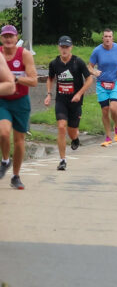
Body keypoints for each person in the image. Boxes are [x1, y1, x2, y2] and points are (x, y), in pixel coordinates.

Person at [44, 36, 93, 170]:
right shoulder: (54, 63)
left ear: (71, 47)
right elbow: (50, 78)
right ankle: (62, 160)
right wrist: (49, 94)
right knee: (61, 127)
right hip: (61, 100)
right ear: (58, 47)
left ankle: (75, 139)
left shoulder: (78, 62)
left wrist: (79, 94)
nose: (64, 50)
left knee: (72, 132)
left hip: (75, 102)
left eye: (67, 47)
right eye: (62, 47)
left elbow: (89, 80)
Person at [0, 25, 37, 189]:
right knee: (3, 132)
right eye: (5, 36)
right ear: (1, 38)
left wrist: (15, 80)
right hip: (3, 100)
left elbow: (34, 80)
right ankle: (5, 160)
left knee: (19, 141)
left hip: (21, 101)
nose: (8, 39)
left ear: (16, 38)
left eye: (11, 36)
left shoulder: (25, 55)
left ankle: (15, 176)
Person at [88, 28, 117, 146]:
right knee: (105, 111)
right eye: (105, 36)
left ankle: (116, 126)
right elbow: (90, 66)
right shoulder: (97, 51)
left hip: (115, 82)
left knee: (113, 108)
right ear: (102, 38)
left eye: (109, 36)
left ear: (113, 38)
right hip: (102, 84)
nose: (107, 39)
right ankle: (107, 136)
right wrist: (94, 72)